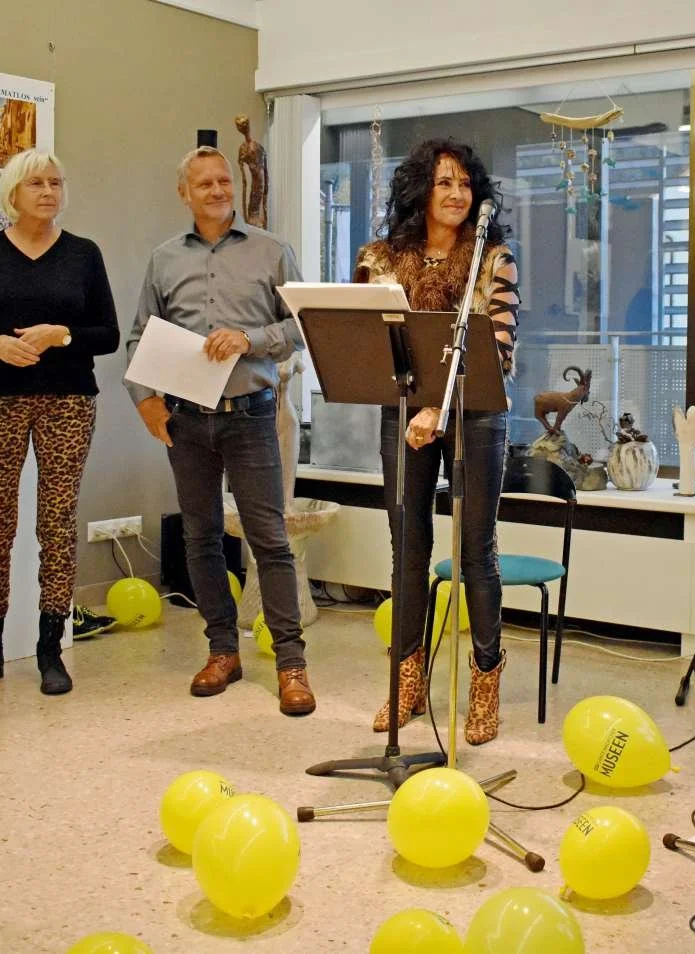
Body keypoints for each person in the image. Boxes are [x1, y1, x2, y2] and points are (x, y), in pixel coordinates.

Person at [125, 145, 314, 716]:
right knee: (201, 538)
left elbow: (304, 326)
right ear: (184, 193)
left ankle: (291, 664)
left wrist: (250, 340)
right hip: (185, 420)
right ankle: (222, 652)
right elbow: (139, 336)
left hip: (251, 415)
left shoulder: (271, 251)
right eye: (204, 183)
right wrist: (145, 401)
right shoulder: (163, 260)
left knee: (270, 540)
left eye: (223, 181)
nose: (217, 190)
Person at [354, 138, 520, 744]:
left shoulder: (494, 258)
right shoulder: (379, 259)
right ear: (419, 190)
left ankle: (485, 680)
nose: (456, 194)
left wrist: (439, 408)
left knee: (476, 550)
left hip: (477, 416)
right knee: (408, 547)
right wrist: (418, 404)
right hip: (402, 412)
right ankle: (407, 682)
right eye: (444, 182)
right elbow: (363, 343)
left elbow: (499, 352)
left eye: (465, 183)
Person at [0, 149, 120, 696]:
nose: (48, 192)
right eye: (36, 183)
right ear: (13, 192)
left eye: (56, 183)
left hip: (67, 401)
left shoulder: (84, 254)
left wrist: (60, 335)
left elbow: (108, 335)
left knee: (57, 522)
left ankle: (50, 647)